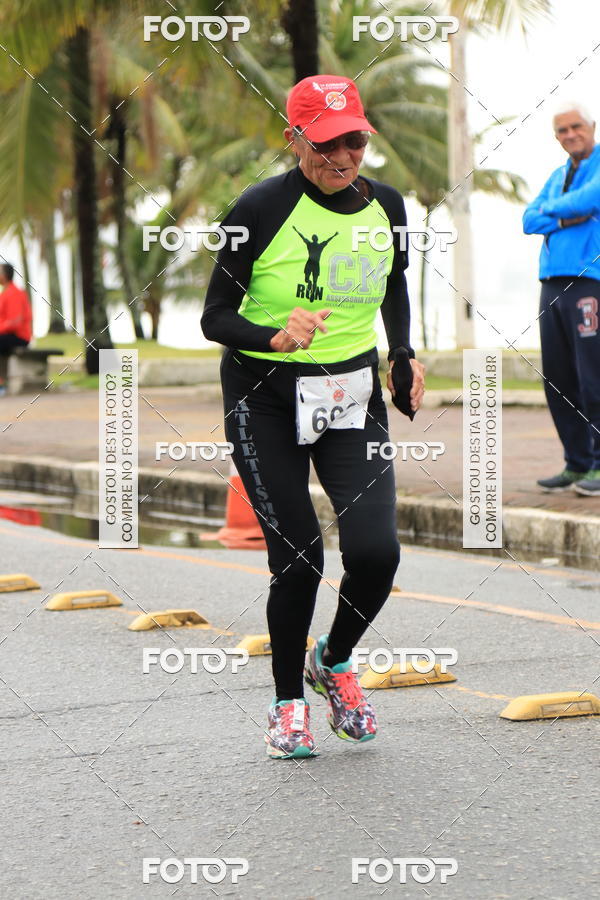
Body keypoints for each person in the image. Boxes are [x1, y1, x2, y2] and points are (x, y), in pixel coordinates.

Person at [201, 74, 425, 759]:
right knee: (298, 558)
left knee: (376, 553)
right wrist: (272, 335)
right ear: (294, 138)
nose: (343, 158)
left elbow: (394, 282)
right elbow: (213, 316)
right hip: (264, 395)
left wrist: (403, 354)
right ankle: (286, 703)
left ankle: (332, 659)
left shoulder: (386, 205)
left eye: (355, 140)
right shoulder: (259, 209)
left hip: (350, 397)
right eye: (327, 144)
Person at [523, 102, 600, 496]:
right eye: (561, 130)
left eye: (576, 127)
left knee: (594, 374)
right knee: (557, 377)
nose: (570, 134)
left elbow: (591, 200)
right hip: (551, 283)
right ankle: (577, 462)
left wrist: (560, 213)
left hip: (590, 281)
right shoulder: (557, 175)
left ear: (591, 125)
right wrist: (567, 216)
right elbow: (528, 220)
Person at [0, 263, 32, 394]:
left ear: (4, 275)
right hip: (7, 336)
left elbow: (15, 322)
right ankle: (2, 382)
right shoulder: (5, 293)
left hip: (19, 337)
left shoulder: (14, 293)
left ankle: (2, 384)